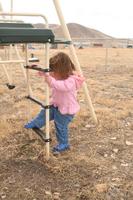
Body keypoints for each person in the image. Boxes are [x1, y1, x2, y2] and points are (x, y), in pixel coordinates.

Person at [24, 52, 85, 154]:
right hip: (56, 105)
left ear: (63, 70)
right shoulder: (59, 75)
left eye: (54, 70)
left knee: (60, 126)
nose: (53, 73)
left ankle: (64, 144)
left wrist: (49, 79)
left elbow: (61, 86)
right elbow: (49, 73)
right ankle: (36, 123)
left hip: (66, 110)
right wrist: (41, 70)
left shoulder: (71, 80)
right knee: (44, 113)